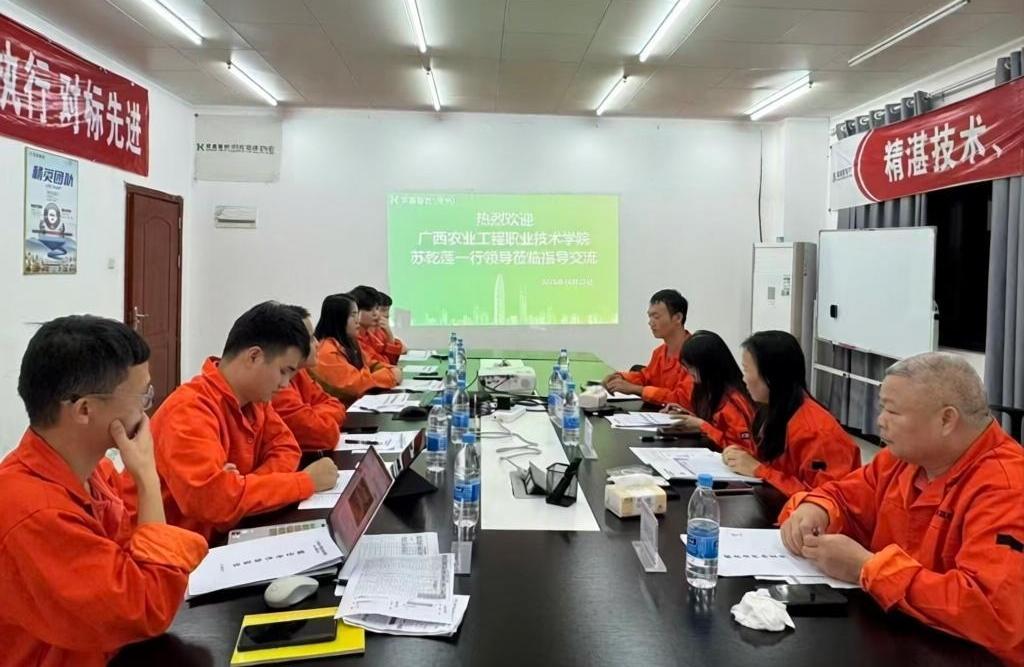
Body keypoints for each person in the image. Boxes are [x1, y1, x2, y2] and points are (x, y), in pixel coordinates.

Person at [778, 352, 1024, 664]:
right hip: (895, 634)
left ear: (946, 420)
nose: (880, 420)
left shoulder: (1007, 486)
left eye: (892, 411)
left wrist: (867, 568)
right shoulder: (902, 459)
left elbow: (992, 613)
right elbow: (844, 496)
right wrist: (816, 508)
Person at [0, 315, 207, 665]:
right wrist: (147, 478)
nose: (148, 408)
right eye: (142, 396)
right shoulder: (33, 512)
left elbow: (137, 564)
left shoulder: (94, 472)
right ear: (85, 410)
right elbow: (147, 608)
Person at [148, 301, 339, 542]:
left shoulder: (255, 400)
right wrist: (304, 482)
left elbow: (287, 448)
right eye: (283, 371)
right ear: (254, 356)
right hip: (179, 550)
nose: (285, 384)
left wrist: (240, 489)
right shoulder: (189, 411)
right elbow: (214, 503)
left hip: (229, 531)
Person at [725, 330, 860, 496]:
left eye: (746, 370)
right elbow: (777, 466)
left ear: (771, 376)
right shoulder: (772, 410)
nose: (743, 379)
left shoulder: (817, 432)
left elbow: (825, 499)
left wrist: (759, 470)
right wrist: (742, 456)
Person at [661, 330, 756, 450]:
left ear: (708, 366)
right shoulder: (708, 390)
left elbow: (743, 449)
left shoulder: (734, 401)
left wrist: (702, 426)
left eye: (691, 367)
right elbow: (714, 426)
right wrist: (690, 418)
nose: (689, 372)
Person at [271, 305, 346, 451]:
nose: (317, 344)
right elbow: (324, 435)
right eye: (311, 339)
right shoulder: (277, 386)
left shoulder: (299, 372)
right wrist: (316, 417)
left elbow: (336, 404)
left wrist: (313, 414)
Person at [603, 289, 694, 407]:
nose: (650, 322)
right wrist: (621, 377)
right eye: (650, 317)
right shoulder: (659, 352)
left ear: (678, 318)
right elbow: (646, 377)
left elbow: (682, 399)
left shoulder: (696, 355)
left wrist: (637, 390)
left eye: (656, 317)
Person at [312, 293, 402, 402]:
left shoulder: (348, 343)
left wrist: (390, 370)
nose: (357, 320)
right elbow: (356, 385)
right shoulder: (326, 351)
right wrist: (391, 375)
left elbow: (372, 364)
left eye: (357, 314)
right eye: (353, 315)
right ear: (338, 319)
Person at [370, 290, 407, 363]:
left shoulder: (380, 331)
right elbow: (387, 361)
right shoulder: (364, 334)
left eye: (388, 310)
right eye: (383, 310)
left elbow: (403, 349)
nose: (387, 315)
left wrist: (389, 333)